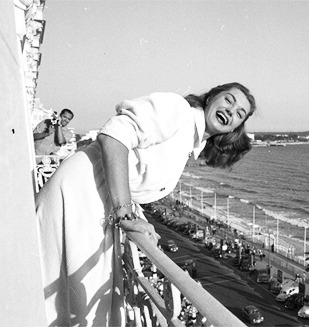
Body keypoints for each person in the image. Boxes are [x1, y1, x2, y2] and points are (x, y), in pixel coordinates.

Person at [35, 82, 257, 326]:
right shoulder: (178, 110)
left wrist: (135, 214)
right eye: (228, 100)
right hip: (82, 191)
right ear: (211, 97)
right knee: (69, 297)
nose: (231, 111)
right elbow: (114, 137)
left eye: (239, 114)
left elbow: (134, 169)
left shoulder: (190, 139)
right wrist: (125, 213)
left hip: (95, 200)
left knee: (67, 297)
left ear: (237, 126)